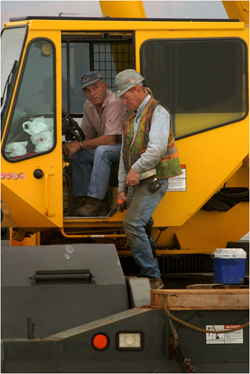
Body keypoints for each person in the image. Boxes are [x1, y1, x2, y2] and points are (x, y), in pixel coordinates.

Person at [114, 69, 182, 289]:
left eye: (126, 96)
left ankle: (153, 278)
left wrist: (136, 170)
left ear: (137, 89)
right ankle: (152, 270)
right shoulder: (129, 118)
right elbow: (124, 155)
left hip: (154, 178)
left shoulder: (158, 111)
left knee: (132, 224)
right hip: (137, 180)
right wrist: (121, 187)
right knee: (141, 225)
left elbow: (157, 148)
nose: (124, 102)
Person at [63, 71, 127, 217]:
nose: (92, 93)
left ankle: (96, 202)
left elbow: (110, 140)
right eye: (87, 90)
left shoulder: (115, 102)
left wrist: (79, 145)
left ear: (104, 86)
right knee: (80, 154)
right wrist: (71, 146)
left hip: (125, 148)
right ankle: (82, 201)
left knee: (102, 151)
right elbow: (88, 137)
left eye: (95, 87)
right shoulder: (88, 106)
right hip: (110, 147)